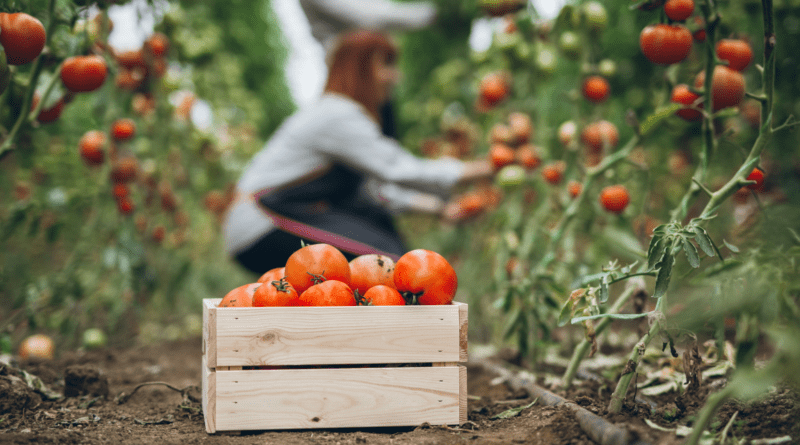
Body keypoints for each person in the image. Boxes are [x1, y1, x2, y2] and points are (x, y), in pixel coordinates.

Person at [223, 31, 493, 275]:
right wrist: (485, 167)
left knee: (387, 247)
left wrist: (438, 208)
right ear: (360, 69)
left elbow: (370, 192)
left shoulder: (337, 114)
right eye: (386, 65)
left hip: (274, 218)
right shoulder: (338, 114)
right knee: (390, 265)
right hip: (263, 222)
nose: (395, 76)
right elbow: (398, 168)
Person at [298, 0, 437, 138]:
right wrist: (434, 13)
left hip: (364, 80)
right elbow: (369, 16)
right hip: (353, 79)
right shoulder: (341, 111)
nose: (397, 77)